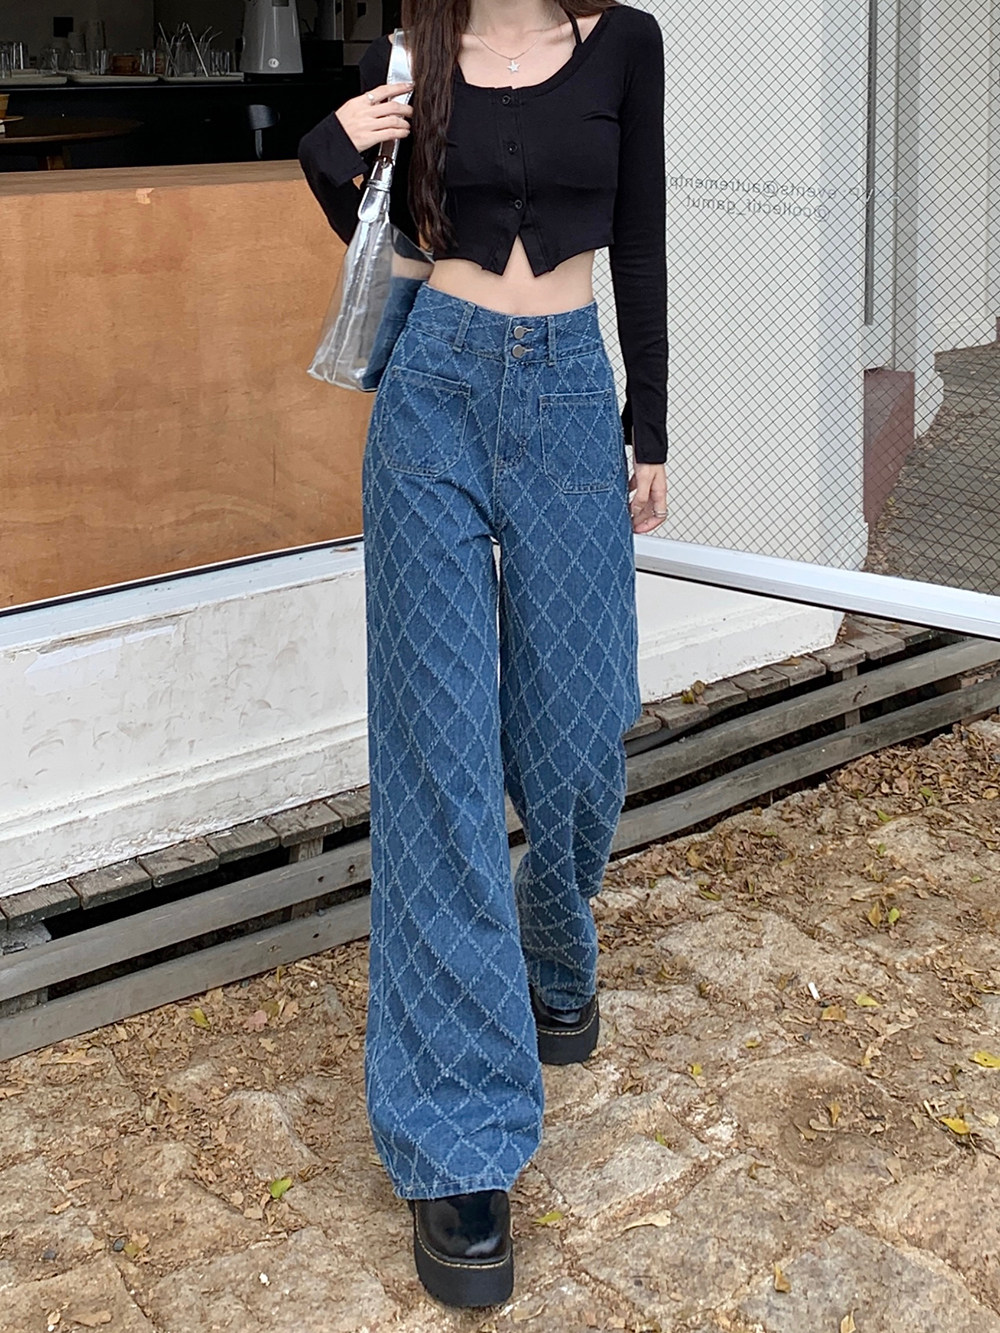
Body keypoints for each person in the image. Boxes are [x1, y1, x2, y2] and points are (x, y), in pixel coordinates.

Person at [297, 0, 667, 1308]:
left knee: (579, 730)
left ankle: (552, 945)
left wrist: (650, 422)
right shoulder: (411, 54)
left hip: (568, 388)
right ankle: (457, 1132)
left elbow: (641, 233)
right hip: (433, 396)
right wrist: (327, 151)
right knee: (441, 764)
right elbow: (381, 233)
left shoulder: (625, 44)